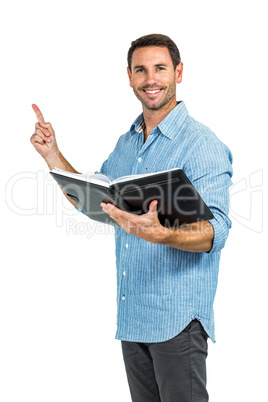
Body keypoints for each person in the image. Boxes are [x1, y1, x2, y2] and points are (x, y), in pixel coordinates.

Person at [30, 33, 233, 402]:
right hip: (133, 316)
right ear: (129, 76)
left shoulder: (202, 144)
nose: (150, 79)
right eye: (141, 70)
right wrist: (52, 155)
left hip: (177, 321)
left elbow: (217, 232)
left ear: (179, 72)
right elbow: (94, 200)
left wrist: (164, 235)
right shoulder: (127, 143)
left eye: (160, 68)